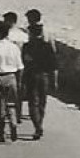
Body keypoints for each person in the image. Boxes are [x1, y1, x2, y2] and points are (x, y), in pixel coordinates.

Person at [21, 10, 59, 141]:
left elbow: (23, 64)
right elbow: (54, 64)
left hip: (32, 76)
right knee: (42, 102)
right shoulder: (47, 44)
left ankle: (37, 126)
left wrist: (22, 80)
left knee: (33, 103)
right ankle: (39, 124)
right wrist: (55, 81)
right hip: (44, 76)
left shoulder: (27, 47)